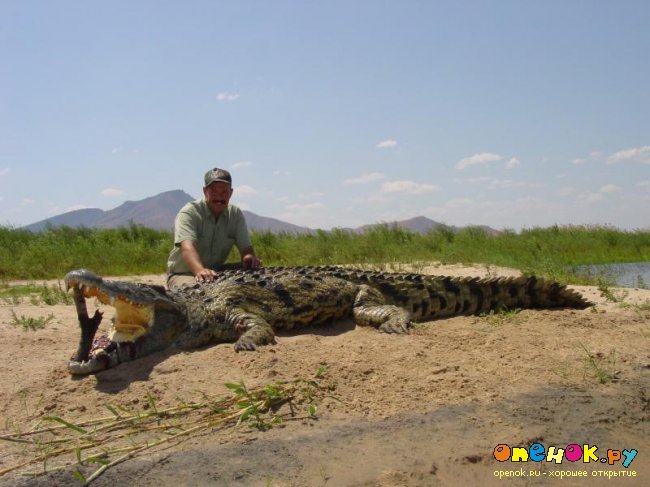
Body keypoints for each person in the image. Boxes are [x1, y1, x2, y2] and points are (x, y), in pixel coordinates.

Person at [166, 167, 261, 289]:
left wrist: (249, 258)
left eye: (224, 192)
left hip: (216, 271)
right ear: (205, 191)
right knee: (199, 290)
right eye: (214, 191)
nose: (219, 197)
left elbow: (246, 249)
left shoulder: (235, 214)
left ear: (231, 193)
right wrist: (200, 270)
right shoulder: (189, 212)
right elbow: (187, 247)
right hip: (183, 273)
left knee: (258, 279)